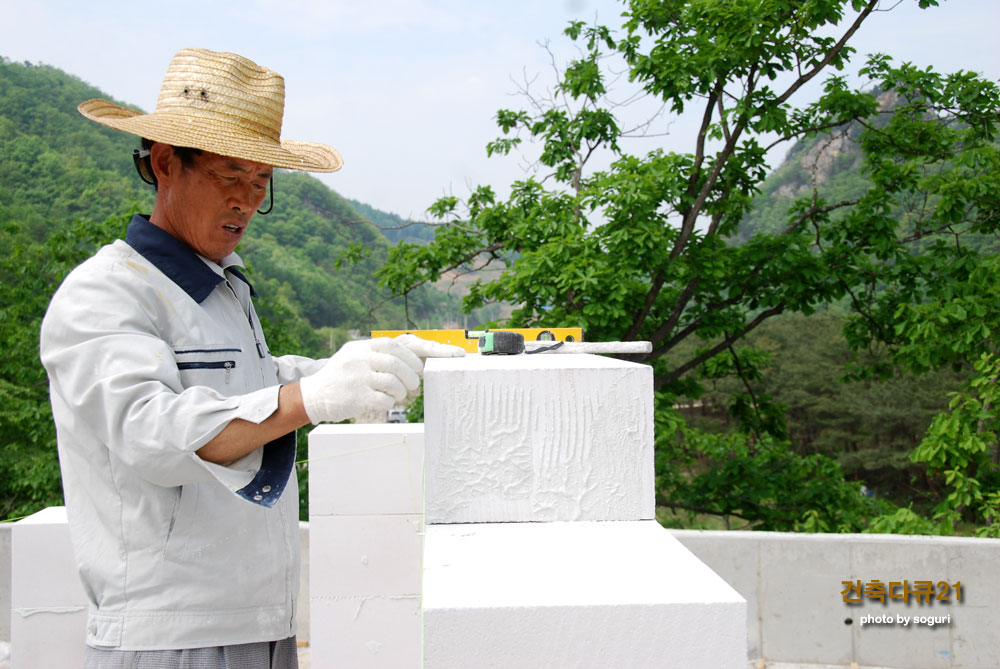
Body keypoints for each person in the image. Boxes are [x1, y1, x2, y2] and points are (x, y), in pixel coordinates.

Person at [39, 48, 462, 668]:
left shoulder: (225, 285)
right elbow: (152, 434)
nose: (245, 200)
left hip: (263, 621)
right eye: (230, 176)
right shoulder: (104, 293)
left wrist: (356, 366)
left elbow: (253, 385)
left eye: (261, 182)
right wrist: (309, 398)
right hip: (171, 637)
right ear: (163, 163)